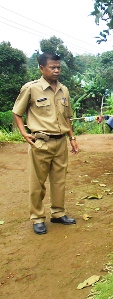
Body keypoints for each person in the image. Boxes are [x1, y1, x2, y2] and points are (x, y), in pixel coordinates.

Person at [12, 53, 79, 235]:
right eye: (52, 67)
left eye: (58, 67)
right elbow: (17, 112)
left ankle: (58, 213)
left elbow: (67, 117)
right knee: (37, 183)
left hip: (60, 142)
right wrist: (24, 133)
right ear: (41, 68)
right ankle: (38, 218)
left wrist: (72, 138)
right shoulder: (31, 88)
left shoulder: (63, 90)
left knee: (59, 181)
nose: (56, 70)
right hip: (40, 142)